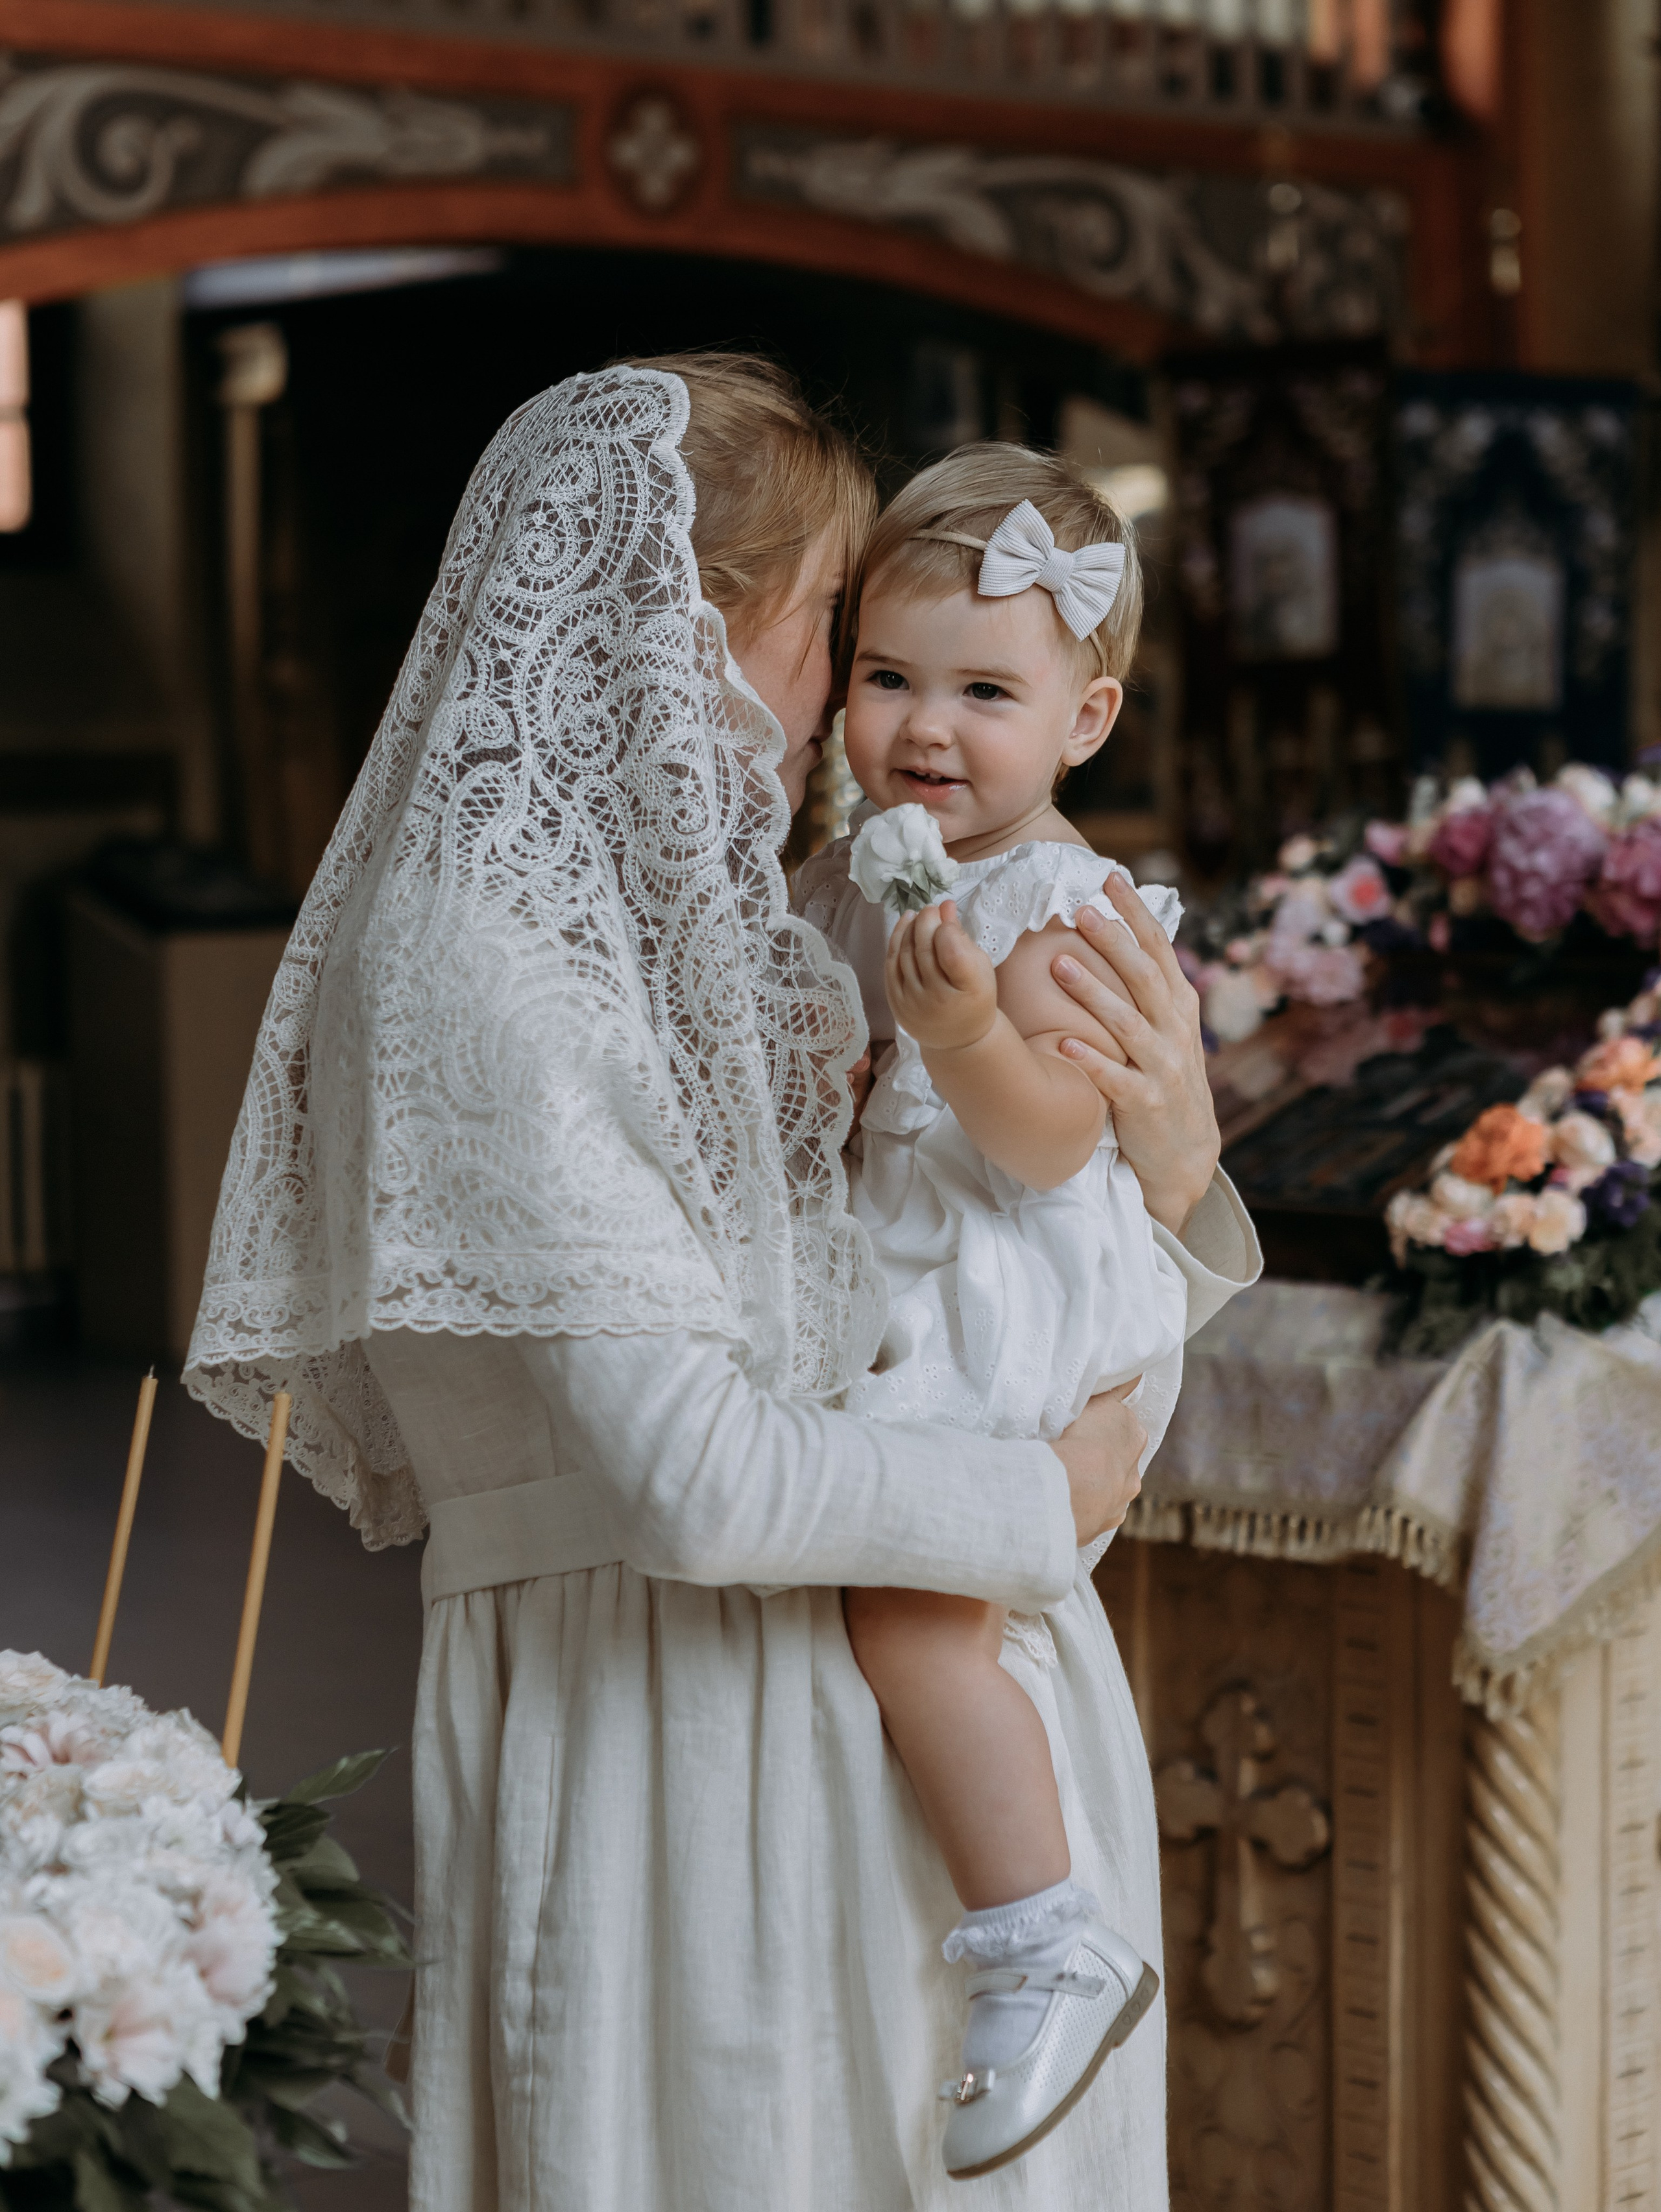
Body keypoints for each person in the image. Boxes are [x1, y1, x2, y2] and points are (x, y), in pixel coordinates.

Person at [184, 355, 1258, 2211]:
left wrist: (1177, 1167)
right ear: (693, 621)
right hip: (682, 1751)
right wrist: (1047, 1493)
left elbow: (975, 1269)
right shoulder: (488, 954)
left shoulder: (736, 916)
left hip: (915, 1710)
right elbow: (695, 1473)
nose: (863, 705)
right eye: (844, 636)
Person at [795, 446, 1207, 2178]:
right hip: (909, 1267)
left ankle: (1047, 1922)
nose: (926, 728)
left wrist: (960, 1034)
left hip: (998, 1288)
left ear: (1087, 717)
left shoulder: (1053, 905)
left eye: (985, 690)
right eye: (888, 677)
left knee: (914, 1615)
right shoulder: (882, 867)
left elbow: (1049, 1148)